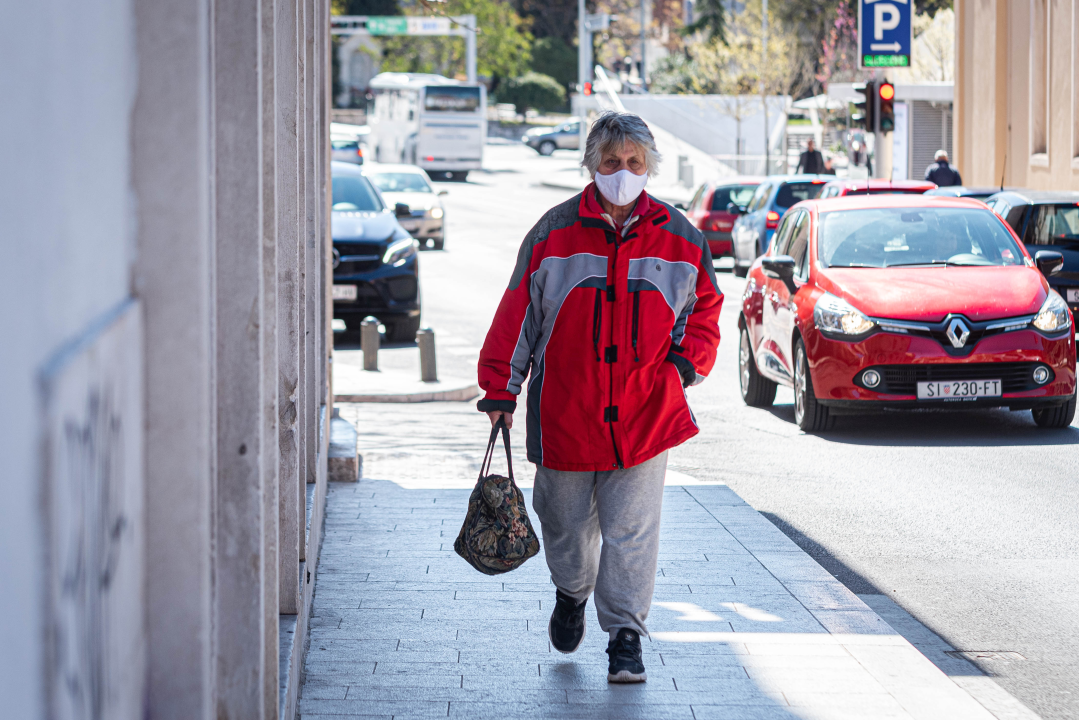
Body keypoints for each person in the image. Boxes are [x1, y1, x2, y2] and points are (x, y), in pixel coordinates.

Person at [476, 111, 722, 684]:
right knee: (563, 525)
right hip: (565, 414)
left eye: (634, 162)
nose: (623, 171)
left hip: (645, 414)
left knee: (631, 533)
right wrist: (500, 388)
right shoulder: (553, 232)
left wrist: (682, 368)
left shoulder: (681, 237)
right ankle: (571, 592)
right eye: (612, 161)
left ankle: (625, 637)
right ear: (592, 164)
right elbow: (518, 314)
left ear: (649, 166)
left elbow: (705, 309)